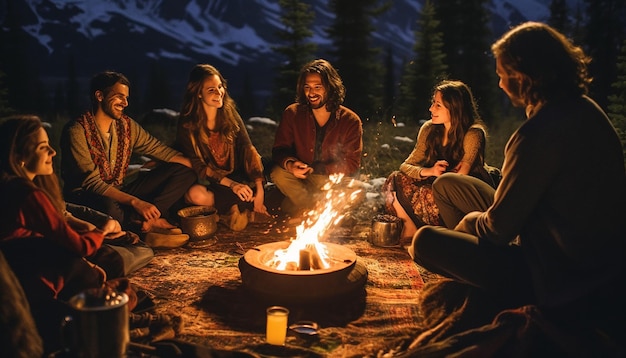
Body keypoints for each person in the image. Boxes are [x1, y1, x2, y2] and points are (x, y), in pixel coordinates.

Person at [410, 22, 626, 354]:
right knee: (456, 193)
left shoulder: (536, 135)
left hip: (559, 279)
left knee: (425, 240)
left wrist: (471, 223)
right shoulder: (589, 112)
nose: (499, 82)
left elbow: (497, 230)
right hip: (603, 269)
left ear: (523, 75)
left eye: (502, 73)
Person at [0, 115, 138, 354]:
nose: (53, 152)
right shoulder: (26, 194)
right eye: (44, 148)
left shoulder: (9, 186)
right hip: (32, 278)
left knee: (107, 259)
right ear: (19, 158)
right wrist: (102, 230)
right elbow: (80, 247)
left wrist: (85, 230)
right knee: (111, 262)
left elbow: (48, 231)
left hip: (21, 268)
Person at [61, 71, 196, 247]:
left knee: (184, 171)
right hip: (88, 196)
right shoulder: (76, 131)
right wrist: (136, 202)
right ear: (99, 96)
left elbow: (158, 150)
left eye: (126, 97)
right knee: (109, 207)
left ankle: (150, 220)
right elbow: (91, 183)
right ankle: (141, 232)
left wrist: (200, 168)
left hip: (121, 193)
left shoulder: (126, 126)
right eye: (119, 97)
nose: (125, 103)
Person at [382, 80, 498, 239]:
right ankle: (410, 229)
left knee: (431, 190)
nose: (431, 109)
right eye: (433, 103)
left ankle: (447, 235)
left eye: (438, 105)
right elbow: (406, 165)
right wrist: (429, 171)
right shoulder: (430, 129)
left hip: (458, 193)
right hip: (435, 181)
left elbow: (461, 176)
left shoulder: (473, 133)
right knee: (393, 180)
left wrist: (441, 175)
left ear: (455, 108)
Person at [175, 64, 270, 231]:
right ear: (198, 93)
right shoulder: (188, 126)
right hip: (218, 182)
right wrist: (232, 185)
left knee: (256, 194)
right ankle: (239, 213)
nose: (219, 93)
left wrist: (259, 189)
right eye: (211, 89)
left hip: (242, 179)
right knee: (194, 195)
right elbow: (200, 167)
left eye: (220, 87)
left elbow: (249, 150)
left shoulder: (229, 115)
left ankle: (230, 214)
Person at [270, 58, 363, 218]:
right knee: (278, 174)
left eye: (318, 87)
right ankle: (321, 213)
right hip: (301, 179)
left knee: (359, 189)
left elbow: (352, 162)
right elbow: (279, 150)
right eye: (307, 87)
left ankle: (302, 209)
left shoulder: (350, 120)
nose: (311, 93)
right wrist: (291, 164)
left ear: (330, 87)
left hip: (331, 180)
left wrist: (322, 169)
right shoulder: (292, 113)